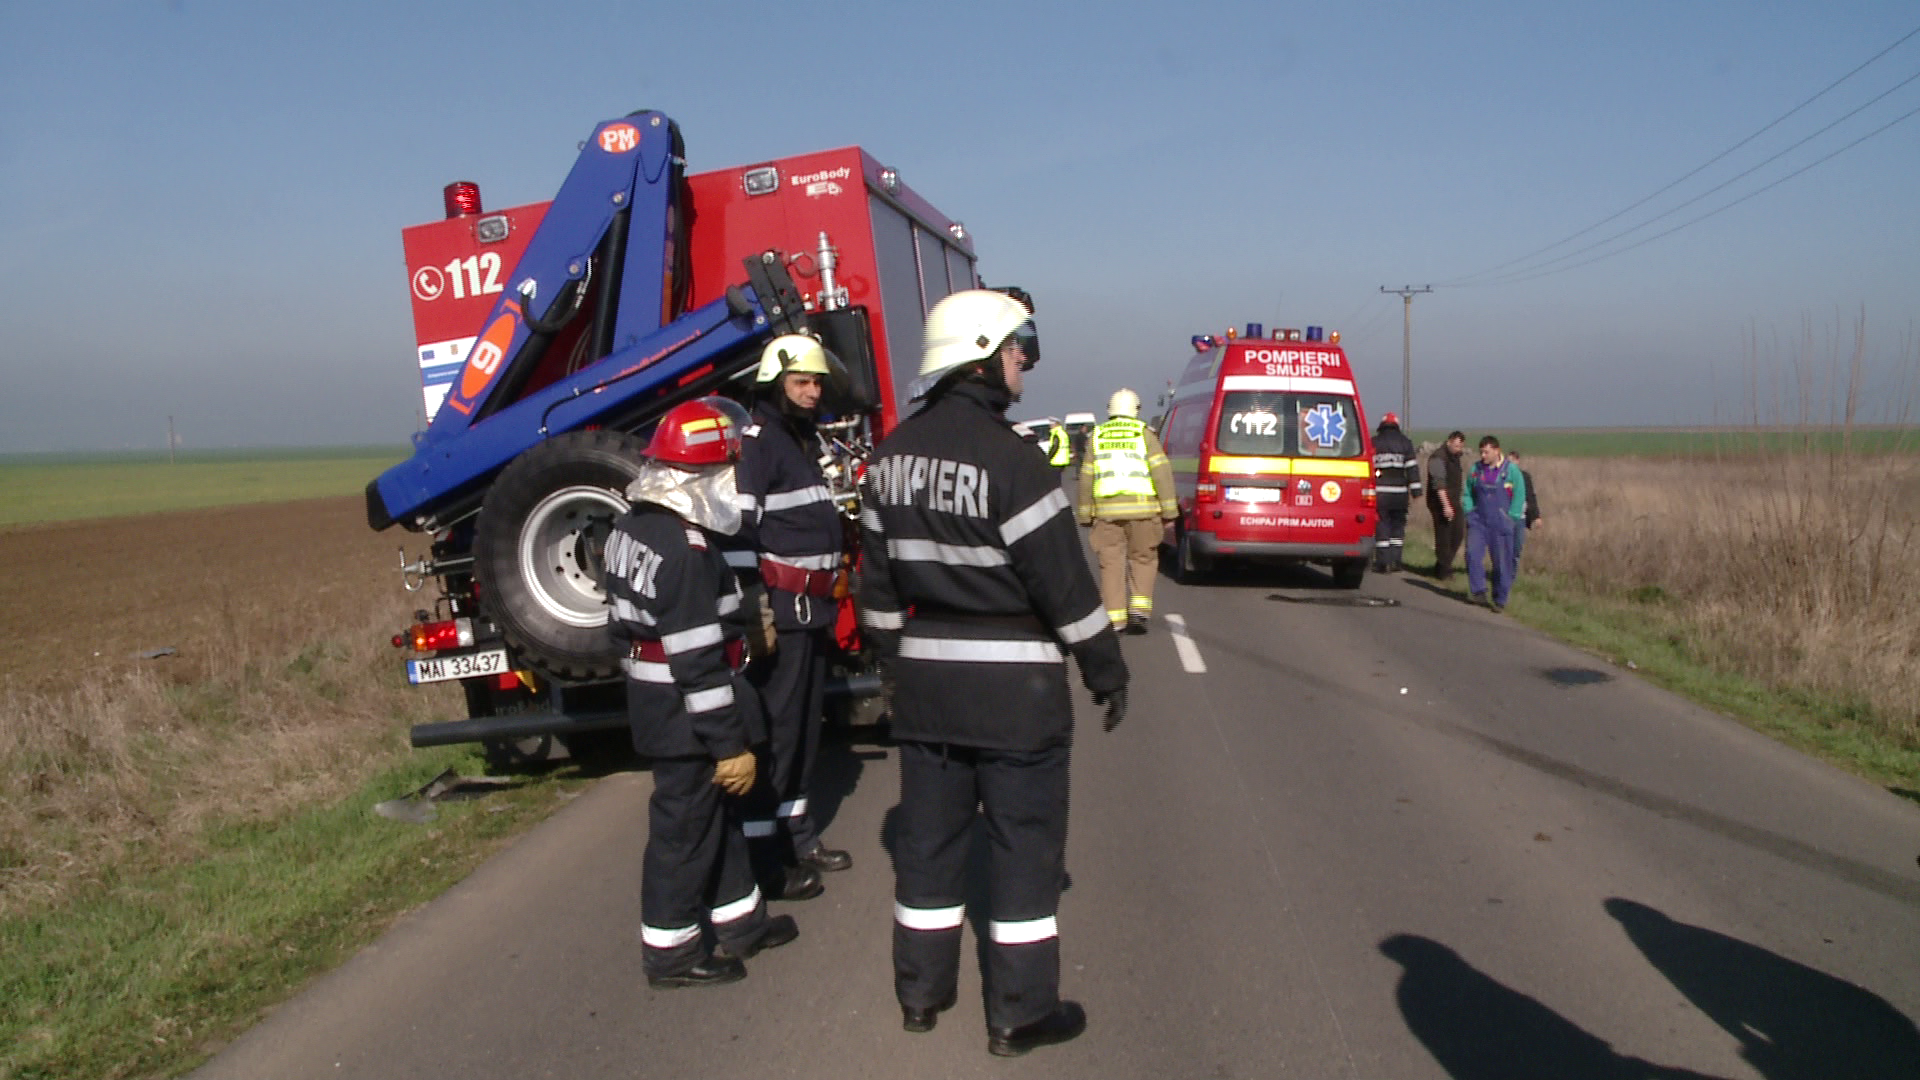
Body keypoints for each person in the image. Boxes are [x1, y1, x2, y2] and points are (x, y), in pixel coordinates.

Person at [858, 288, 1128, 1057]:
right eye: (1018, 352)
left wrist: (892, 671)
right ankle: (1018, 1015)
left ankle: (920, 993)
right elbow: (1066, 590)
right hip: (1018, 698)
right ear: (981, 357)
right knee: (1022, 850)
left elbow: (876, 592)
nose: (1025, 367)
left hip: (928, 692)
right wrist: (1106, 669)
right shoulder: (1014, 462)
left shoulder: (889, 458)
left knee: (929, 847)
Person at [602, 397, 798, 988]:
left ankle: (741, 921)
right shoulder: (684, 552)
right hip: (687, 717)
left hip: (659, 708)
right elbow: (697, 665)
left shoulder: (630, 527)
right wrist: (727, 745)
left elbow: (621, 630)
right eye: (727, 469)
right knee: (683, 831)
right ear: (702, 475)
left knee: (718, 817)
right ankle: (671, 950)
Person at [732, 334, 852, 894]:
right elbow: (741, 532)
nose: (812, 392)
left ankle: (799, 835)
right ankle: (768, 855)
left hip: (815, 609)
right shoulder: (759, 442)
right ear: (775, 386)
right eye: (801, 382)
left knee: (804, 730)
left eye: (816, 382)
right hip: (783, 609)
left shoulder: (803, 440)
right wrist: (754, 609)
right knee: (779, 731)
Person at [1077, 388, 1178, 634]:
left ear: (1110, 410)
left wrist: (1084, 514)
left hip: (1107, 515)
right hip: (1143, 513)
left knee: (1111, 564)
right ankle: (1139, 611)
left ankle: (1115, 619)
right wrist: (1169, 513)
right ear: (1136, 410)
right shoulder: (1145, 435)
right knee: (1143, 560)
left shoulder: (1097, 436)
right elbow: (1161, 473)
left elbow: (1086, 478)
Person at [1462, 435, 1527, 613]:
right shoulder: (1476, 469)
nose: (1483, 455)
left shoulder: (1512, 471)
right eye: (1481, 452)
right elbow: (1467, 491)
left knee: (1501, 563)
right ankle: (1478, 591)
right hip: (1479, 521)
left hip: (1501, 522)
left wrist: (1511, 517)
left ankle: (1500, 598)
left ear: (1497, 451)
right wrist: (1469, 510)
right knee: (1472, 554)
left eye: (1486, 452)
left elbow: (1520, 495)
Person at [1370, 412, 1422, 573]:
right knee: (1397, 526)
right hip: (1400, 493)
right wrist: (1416, 491)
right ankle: (1396, 561)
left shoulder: (1374, 443)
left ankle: (1383, 562)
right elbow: (1412, 469)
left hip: (1380, 493)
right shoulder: (1405, 443)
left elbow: (1368, 468)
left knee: (1382, 525)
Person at [1425, 431, 1467, 581]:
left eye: (1460, 446)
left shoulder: (1455, 458)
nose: (1458, 449)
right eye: (1456, 446)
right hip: (1440, 502)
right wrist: (1445, 505)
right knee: (1444, 537)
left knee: (1458, 534)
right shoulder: (1438, 458)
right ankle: (1444, 571)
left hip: (1454, 501)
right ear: (1449, 442)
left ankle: (1442, 565)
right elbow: (1439, 484)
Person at [1508, 451, 1542, 563]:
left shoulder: (1524, 477)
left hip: (1520, 517)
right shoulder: (1502, 477)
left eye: (1512, 461)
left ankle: (1511, 574)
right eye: (1507, 462)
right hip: (1505, 517)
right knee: (1504, 548)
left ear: (1518, 461)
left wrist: (1536, 516)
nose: (1510, 464)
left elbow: (1531, 496)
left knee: (1517, 547)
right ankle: (1503, 575)